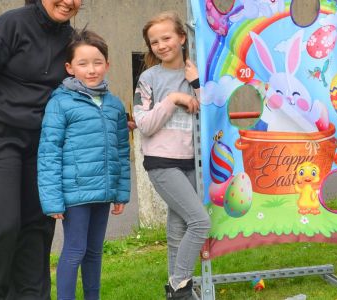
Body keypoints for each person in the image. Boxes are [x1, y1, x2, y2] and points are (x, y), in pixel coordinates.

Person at [0, 0, 81, 299]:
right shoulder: (9, 26)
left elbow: (79, 89)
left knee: (38, 229)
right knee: (2, 226)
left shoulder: (71, 40)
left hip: (43, 146)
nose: (69, 2)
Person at [38, 29, 130, 300]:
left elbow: (122, 152)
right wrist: (52, 200)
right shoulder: (60, 103)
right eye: (83, 63)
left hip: (103, 193)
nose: (91, 69)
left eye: (97, 62)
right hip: (74, 193)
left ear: (107, 65)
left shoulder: (114, 105)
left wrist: (121, 192)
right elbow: (49, 152)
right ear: (69, 67)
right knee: (75, 249)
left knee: (94, 251)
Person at [134, 11, 210, 300]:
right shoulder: (149, 78)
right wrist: (172, 99)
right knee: (200, 222)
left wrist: (196, 84)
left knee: (178, 228)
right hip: (162, 164)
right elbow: (145, 124)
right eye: (154, 42)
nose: (161, 45)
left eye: (166, 38)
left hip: (192, 161)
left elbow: (211, 114)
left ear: (181, 37)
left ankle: (175, 290)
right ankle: (181, 288)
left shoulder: (196, 72)